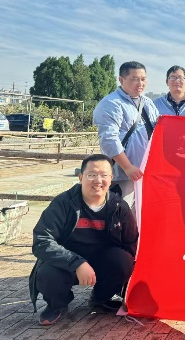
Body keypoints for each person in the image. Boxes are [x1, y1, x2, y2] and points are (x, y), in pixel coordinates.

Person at [29, 155, 138, 326]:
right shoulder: (63, 203)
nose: (98, 180)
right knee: (47, 273)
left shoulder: (118, 206)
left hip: (102, 262)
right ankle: (57, 304)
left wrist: (125, 279)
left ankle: (100, 298)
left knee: (124, 261)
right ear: (81, 177)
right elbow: (42, 240)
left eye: (104, 175)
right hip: (67, 263)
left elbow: (131, 243)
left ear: (111, 178)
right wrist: (77, 263)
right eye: (92, 175)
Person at [93, 61, 159, 211]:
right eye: (134, 79)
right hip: (123, 175)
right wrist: (127, 167)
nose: (140, 83)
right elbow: (109, 139)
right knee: (122, 215)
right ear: (121, 80)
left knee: (141, 216)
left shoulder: (148, 103)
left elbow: (157, 131)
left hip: (146, 173)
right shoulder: (111, 103)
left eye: (143, 79)